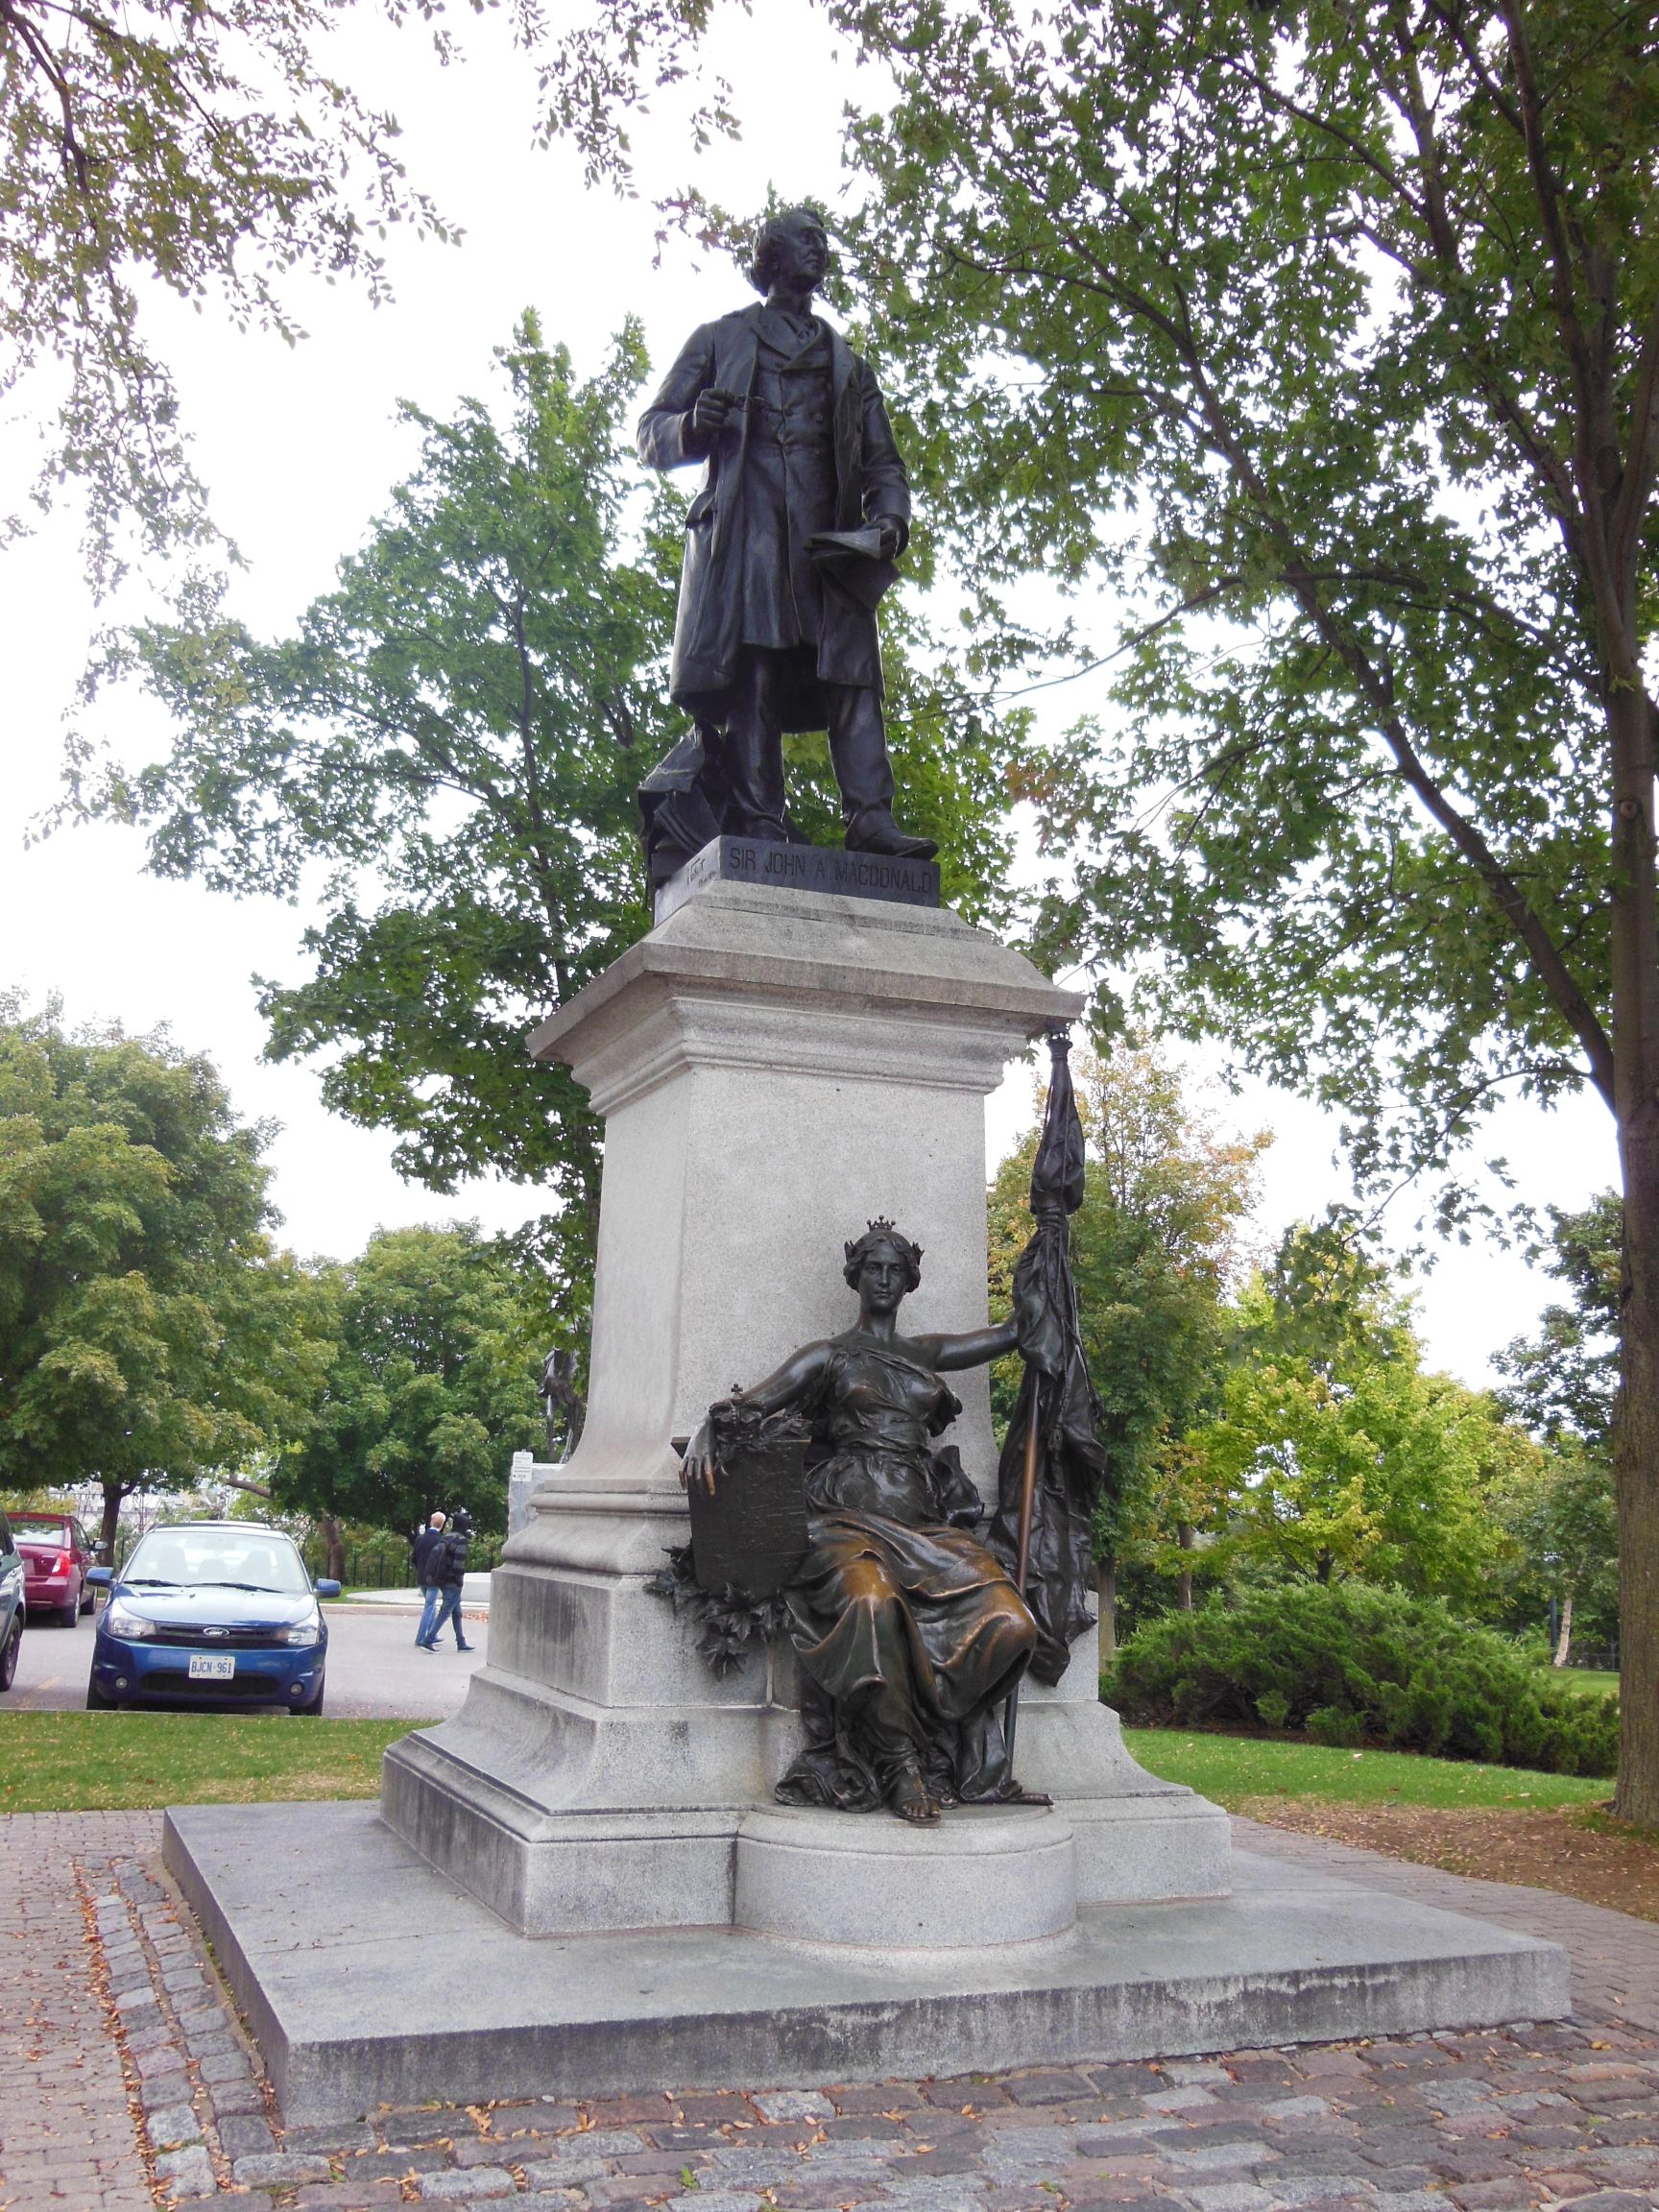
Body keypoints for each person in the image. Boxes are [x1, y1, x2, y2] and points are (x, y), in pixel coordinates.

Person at [683, 1221, 1046, 1826]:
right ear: (855, 1276)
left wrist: (1047, 1267)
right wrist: (708, 1427)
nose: (883, 1278)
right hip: (844, 1520)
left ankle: (928, 1721)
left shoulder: (925, 1353)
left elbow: (1014, 1333)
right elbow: (749, 1407)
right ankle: (901, 1763)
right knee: (870, 1604)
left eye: (894, 1270)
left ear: (908, 1281)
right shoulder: (828, 1355)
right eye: (873, 1268)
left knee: (1011, 1622)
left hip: (924, 1527)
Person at [635, 206, 937, 886]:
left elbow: (885, 463)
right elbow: (651, 430)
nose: (820, 250)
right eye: (807, 239)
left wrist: (890, 520)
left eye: (825, 242)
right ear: (772, 256)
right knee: (757, 672)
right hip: (749, 530)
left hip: (828, 540)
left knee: (854, 681)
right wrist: (690, 426)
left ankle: (871, 816)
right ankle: (759, 816)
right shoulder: (720, 339)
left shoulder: (847, 365)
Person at [419, 1509, 474, 1653]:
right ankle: (428, 1639)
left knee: (456, 1612)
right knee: (446, 1611)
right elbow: (458, 1564)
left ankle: (461, 1642)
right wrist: (459, 1581)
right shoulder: (460, 1540)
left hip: (442, 1579)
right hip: (453, 1582)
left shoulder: (447, 1537)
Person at [411, 1511, 446, 1648]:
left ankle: (432, 1634)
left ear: (431, 1521)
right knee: (429, 1606)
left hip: (422, 1576)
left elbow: (414, 1557)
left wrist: (420, 1569)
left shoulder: (420, 1538)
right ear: (442, 1524)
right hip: (433, 1578)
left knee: (430, 1605)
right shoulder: (441, 1540)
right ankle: (421, 1638)